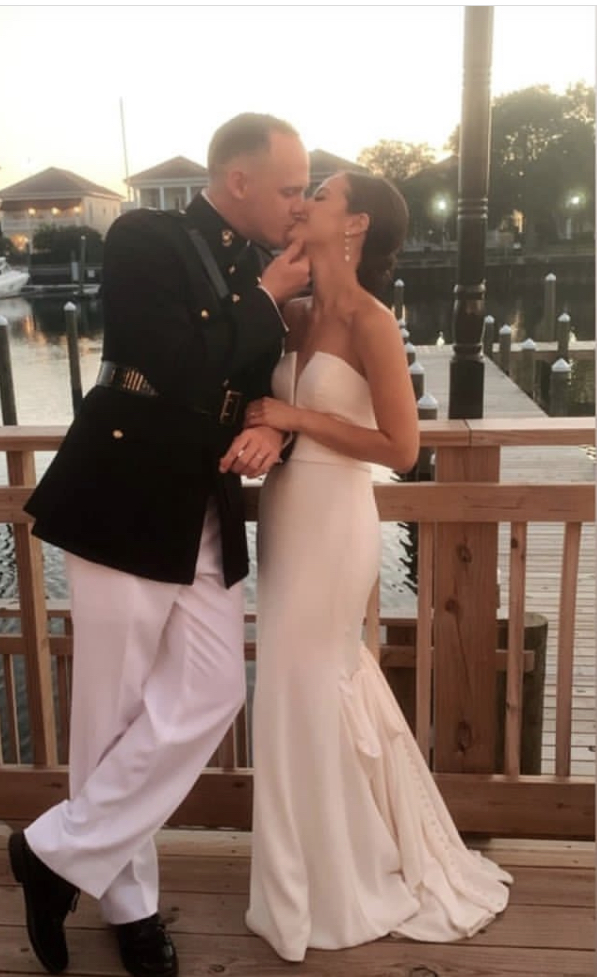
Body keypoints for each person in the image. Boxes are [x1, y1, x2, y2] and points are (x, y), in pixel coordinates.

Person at [8, 112, 310, 977]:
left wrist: (277, 437)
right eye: (288, 187)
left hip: (204, 501)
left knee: (213, 690)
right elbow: (173, 361)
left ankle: (50, 854)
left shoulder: (261, 271)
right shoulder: (146, 235)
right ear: (239, 179)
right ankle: (130, 906)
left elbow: (251, 389)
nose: (297, 203)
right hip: (123, 492)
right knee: (110, 711)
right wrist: (261, 304)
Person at [233, 171, 513, 962]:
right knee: (291, 690)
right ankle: (308, 872)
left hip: (336, 516)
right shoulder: (287, 313)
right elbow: (260, 408)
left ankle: (342, 877)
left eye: (319, 193)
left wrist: (294, 415)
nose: (303, 202)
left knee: (305, 680)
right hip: (287, 512)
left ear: (354, 224)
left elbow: (403, 447)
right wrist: (267, 434)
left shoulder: (371, 321)